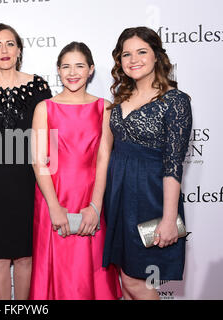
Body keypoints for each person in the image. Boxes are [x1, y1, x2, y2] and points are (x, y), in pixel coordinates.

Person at [102, 27, 192, 300]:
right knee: (126, 280)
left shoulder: (175, 101)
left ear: (157, 56)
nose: (133, 59)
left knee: (137, 283)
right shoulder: (118, 101)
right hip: (118, 197)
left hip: (151, 197)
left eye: (141, 51)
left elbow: (173, 165)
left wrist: (168, 218)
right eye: (126, 54)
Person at [29, 42, 122, 300]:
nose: (73, 72)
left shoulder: (104, 107)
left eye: (80, 65)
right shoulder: (44, 108)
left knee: (91, 269)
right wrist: (54, 206)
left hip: (91, 197)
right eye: (66, 66)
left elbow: (104, 158)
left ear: (91, 70)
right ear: (58, 70)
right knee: (55, 269)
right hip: (53, 197)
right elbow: (39, 162)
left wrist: (95, 205)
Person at [0, 23, 52, 300]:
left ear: (19, 50)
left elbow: (49, 138)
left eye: (10, 44)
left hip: (30, 184)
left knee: (26, 257)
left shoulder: (38, 86)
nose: (4, 50)